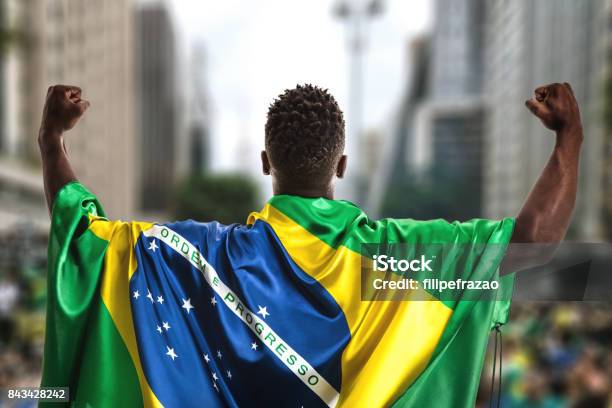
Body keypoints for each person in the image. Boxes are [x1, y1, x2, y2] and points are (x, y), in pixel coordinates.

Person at [38, 83, 582, 407]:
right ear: (341, 166)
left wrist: (52, 142)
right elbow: (533, 242)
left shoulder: (192, 258)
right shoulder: (400, 261)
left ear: (265, 163)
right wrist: (569, 139)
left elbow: (83, 237)